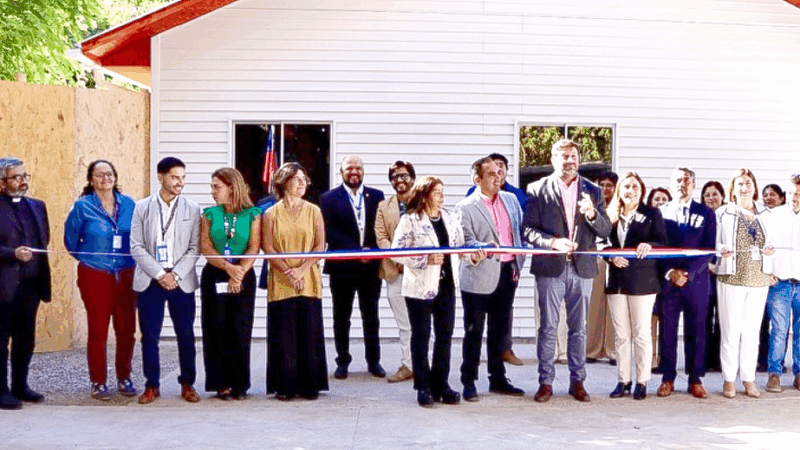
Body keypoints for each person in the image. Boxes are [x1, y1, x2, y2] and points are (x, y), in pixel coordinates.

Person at [522, 139, 612, 403]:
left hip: (582, 268)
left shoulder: (593, 190)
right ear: (553, 159)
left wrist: (592, 214)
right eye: (564, 156)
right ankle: (545, 382)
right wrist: (552, 243)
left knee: (579, 329)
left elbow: (605, 229)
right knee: (548, 328)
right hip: (551, 268)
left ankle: (578, 381)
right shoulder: (537, 189)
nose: (570, 161)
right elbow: (527, 230)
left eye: (573, 156)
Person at [391, 176, 479, 407]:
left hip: (446, 286)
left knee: (444, 335)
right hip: (419, 288)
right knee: (421, 336)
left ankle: (441, 384)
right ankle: (423, 386)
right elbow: (396, 252)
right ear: (425, 195)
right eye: (437, 192)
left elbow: (460, 248)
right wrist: (425, 259)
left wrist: (474, 256)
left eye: (442, 191)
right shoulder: (410, 220)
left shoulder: (450, 218)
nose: (442, 196)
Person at [130, 157, 202, 404]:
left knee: (186, 334)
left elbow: (195, 248)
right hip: (151, 280)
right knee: (150, 336)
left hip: (181, 280)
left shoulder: (193, 209)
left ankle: (188, 383)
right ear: (160, 177)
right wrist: (160, 274)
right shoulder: (142, 207)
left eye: (183, 177)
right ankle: (152, 385)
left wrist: (175, 274)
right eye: (174, 177)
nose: (180, 182)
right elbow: (136, 246)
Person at [64, 159, 137, 401]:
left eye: (109, 174)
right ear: (91, 180)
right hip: (95, 274)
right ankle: (98, 382)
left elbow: (138, 235)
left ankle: (124, 377)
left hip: (126, 273)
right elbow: (71, 241)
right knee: (98, 330)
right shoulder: (82, 206)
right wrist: (91, 259)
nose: (105, 178)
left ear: (115, 176)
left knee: (126, 330)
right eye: (99, 174)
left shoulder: (129, 204)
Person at [457, 157, 526, 402]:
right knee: (474, 331)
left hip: (507, 272)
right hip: (479, 274)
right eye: (491, 174)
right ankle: (468, 381)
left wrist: (517, 262)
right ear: (478, 180)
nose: (498, 178)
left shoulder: (511, 199)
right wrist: (483, 246)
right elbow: (464, 240)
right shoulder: (465, 207)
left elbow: (519, 230)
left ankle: (497, 378)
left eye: (499, 173)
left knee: (499, 330)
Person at [262, 162, 328, 401]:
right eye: (296, 179)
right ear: (284, 182)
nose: (302, 184)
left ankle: (310, 386)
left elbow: (319, 246)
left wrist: (301, 270)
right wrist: (289, 272)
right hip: (281, 280)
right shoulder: (270, 214)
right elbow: (268, 247)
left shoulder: (314, 211)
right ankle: (285, 386)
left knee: (309, 331)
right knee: (284, 333)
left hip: (308, 278)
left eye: (304, 180)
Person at [320, 155, 386, 379]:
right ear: (341, 172)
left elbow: (380, 228)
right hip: (342, 268)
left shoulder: (377, 196)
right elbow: (329, 231)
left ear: (363, 171)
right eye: (349, 168)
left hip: (370, 267)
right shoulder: (328, 198)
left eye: (358, 168)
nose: (354, 172)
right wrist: (357, 251)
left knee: (371, 315)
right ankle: (342, 361)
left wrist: (371, 250)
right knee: (341, 317)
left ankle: (374, 361)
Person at [604, 172, 668, 400]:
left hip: (643, 282)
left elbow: (662, 242)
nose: (630, 191)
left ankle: (642, 381)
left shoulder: (651, 214)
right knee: (621, 335)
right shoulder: (611, 214)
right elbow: (602, 244)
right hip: (616, 282)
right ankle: (623, 380)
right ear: (619, 191)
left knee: (641, 333)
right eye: (626, 187)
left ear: (641, 191)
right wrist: (610, 256)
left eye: (635, 187)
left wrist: (649, 245)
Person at [199, 167, 261, 400]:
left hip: (244, 274)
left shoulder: (253, 214)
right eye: (212, 187)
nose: (212, 191)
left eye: (217, 187)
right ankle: (219, 383)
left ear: (232, 188)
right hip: (216, 273)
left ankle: (239, 384)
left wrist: (240, 272)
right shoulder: (209, 214)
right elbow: (206, 246)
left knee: (240, 328)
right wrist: (228, 268)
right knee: (215, 327)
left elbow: (254, 246)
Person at [656, 168, 716, 399]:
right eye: (678, 180)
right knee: (667, 331)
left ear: (694, 185)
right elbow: (657, 247)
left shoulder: (706, 213)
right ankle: (667, 377)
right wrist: (671, 272)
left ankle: (695, 379)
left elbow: (709, 249)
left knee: (697, 330)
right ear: (671, 184)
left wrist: (688, 274)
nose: (683, 184)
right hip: (669, 281)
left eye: (687, 180)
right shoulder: (660, 212)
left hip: (697, 282)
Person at [715, 168, 774, 398]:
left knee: (752, 332)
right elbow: (714, 242)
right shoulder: (723, 213)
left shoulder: (766, 213)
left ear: (754, 187)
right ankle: (729, 379)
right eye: (739, 183)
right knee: (731, 331)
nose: (744, 187)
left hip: (758, 279)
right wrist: (721, 250)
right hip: (731, 278)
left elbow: (775, 242)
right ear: (733, 189)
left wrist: (771, 251)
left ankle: (749, 378)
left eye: (748, 183)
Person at [0, 157, 51, 410]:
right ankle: (1, 391)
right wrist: (12, 253)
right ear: (2, 182)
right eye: (16, 177)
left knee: (25, 339)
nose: (22, 181)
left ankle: (21, 385)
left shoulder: (37, 206)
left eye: (24, 176)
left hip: (31, 286)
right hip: (3, 287)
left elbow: (44, 239)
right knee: (1, 341)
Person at [375, 161, 416, 383]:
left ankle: (424, 364)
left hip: (419, 271)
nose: (399, 180)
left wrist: (410, 260)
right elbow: (381, 236)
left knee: (422, 321)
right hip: (394, 272)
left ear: (412, 178)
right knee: (404, 323)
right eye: (394, 177)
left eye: (404, 175)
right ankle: (408, 365)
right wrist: (396, 257)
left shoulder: (423, 201)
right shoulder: (384, 206)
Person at [764, 175, 800, 393]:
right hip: (780, 283)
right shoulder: (774, 216)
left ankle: (799, 374)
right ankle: (774, 373)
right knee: (779, 329)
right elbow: (764, 246)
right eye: (793, 193)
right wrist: (767, 272)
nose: (796, 197)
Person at [586, 171, 619, 366]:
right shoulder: (592, 207)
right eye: (602, 185)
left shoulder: (619, 208)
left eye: (609, 185)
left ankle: (612, 351)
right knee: (595, 305)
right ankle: (592, 350)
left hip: (616, 260)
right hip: (596, 259)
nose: (605, 189)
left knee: (614, 307)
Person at [757, 183, 787, 372]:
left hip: (782, 279)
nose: (769, 198)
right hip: (764, 277)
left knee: (780, 325)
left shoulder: (788, 218)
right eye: (766, 195)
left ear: (782, 198)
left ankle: (778, 363)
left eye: (773, 194)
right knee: (761, 322)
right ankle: (762, 360)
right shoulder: (761, 219)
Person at [645, 186, 671, 374]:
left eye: (664, 199)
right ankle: (650, 359)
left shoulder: (671, 221)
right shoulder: (647, 221)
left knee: (666, 320)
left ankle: (664, 359)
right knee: (650, 319)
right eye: (657, 199)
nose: (660, 202)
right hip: (650, 274)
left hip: (668, 275)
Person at [701, 180, 726, 373]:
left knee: (723, 319)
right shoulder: (700, 217)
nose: (711, 198)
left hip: (724, 272)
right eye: (707, 195)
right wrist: (706, 264)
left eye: (715, 194)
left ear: (722, 196)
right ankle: (704, 360)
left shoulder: (728, 216)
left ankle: (719, 360)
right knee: (705, 316)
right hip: (705, 273)